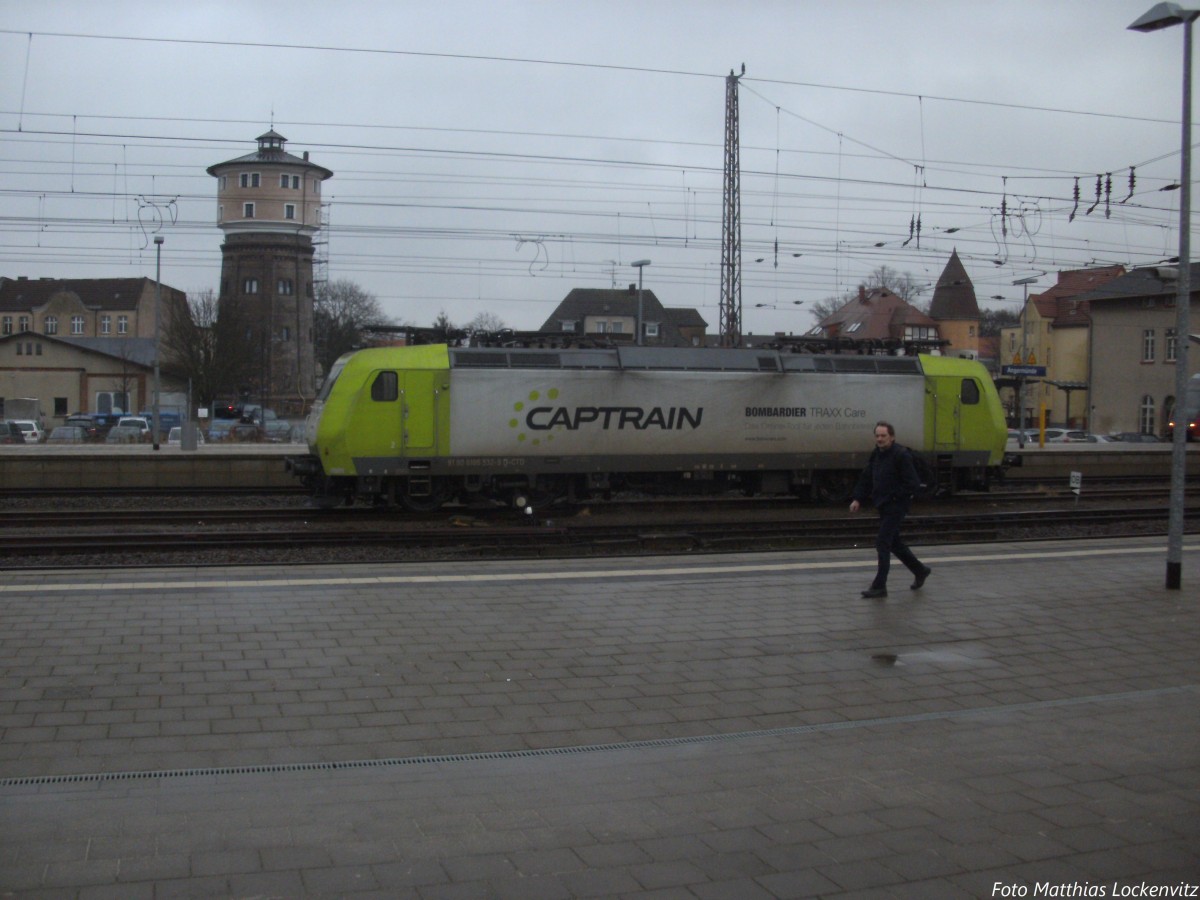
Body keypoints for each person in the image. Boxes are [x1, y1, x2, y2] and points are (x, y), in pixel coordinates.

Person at [848, 421, 932, 599]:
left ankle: (880, 586)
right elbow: (867, 476)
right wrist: (857, 498)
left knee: (882, 542)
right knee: (894, 543)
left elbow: (913, 484)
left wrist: (895, 496)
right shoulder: (877, 454)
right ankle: (920, 570)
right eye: (877, 436)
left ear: (891, 437)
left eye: (883, 436)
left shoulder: (901, 455)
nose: (879, 439)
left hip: (896, 505)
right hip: (883, 504)